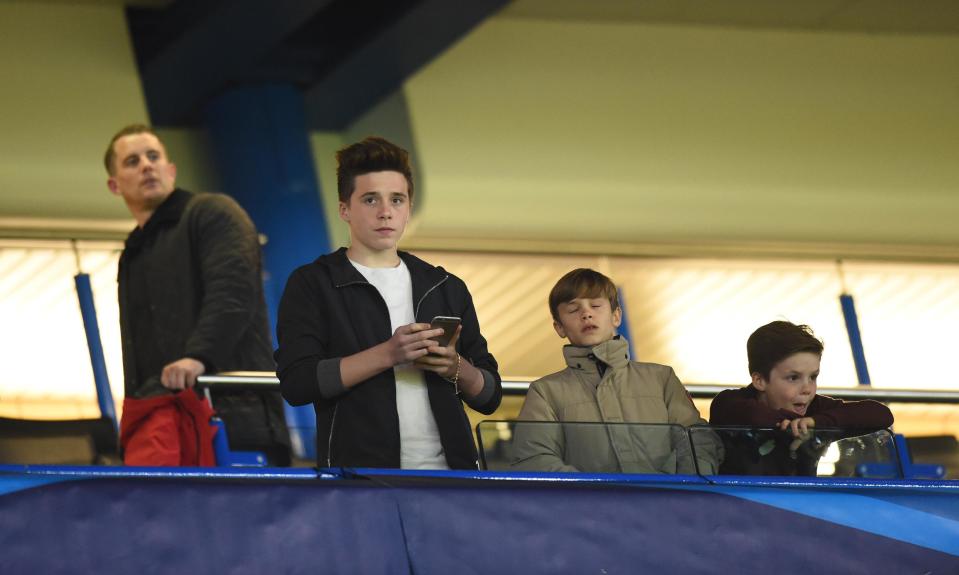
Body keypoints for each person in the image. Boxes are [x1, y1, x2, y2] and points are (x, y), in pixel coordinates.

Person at [274, 136, 501, 469]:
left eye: (397, 200)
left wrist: (457, 369)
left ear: (409, 207)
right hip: (360, 479)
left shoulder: (445, 286)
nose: (385, 212)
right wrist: (388, 354)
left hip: (452, 479)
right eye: (370, 200)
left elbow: (490, 396)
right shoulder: (313, 283)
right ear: (344, 209)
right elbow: (298, 383)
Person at [105, 124, 290, 466]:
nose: (146, 165)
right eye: (132, 161)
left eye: (153, 156)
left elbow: (234, 292)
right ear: (114, 185)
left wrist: (198, 357)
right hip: (160, 419)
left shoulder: (212, 212)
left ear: (171, 170)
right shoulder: (133, 253)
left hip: (232, 412)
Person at [512, 268, 720, 474]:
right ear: (559, 327)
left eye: (595, 305)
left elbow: (698, 442)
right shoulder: (545, 392)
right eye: (574, 310)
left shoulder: (661, 378)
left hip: (668, 504)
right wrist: (593, 496)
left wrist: (678, 492)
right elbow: (534, 458)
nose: (586, 314)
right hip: (589, 506)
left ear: (616, 316)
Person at [709, 320, 894, 475]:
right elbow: (755, 417)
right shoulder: (729, 403)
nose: (807, 389)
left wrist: (817, 423)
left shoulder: (814, 411)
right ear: (759, 380)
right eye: (793, 378)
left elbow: (881, 414)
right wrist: (799, 424)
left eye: (813, 377)